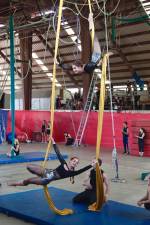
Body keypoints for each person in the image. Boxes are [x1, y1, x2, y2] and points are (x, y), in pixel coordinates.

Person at [8, 137, 93, 187]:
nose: (75, 163)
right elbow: (58, 153)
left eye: (76, 162)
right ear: (70, 161)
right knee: (28, 166)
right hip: (47, 171)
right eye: (74, 161)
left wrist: (92, 165)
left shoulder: (71, 173)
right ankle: (39, 174)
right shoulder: (64, 163)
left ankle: (16, 184)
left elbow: (83, 170)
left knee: (28, 180)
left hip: (46, 179)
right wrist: (53, 141)